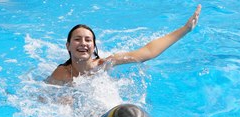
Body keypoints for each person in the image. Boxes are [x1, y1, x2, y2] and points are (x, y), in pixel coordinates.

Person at [46, 4, 202, 85]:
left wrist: (185, 29)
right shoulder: (62, 74)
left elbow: (147, 52)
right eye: (77, 39)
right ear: (68, 46)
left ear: (94, 46)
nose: (83, 43)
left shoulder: (104, 64)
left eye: (88, 40)